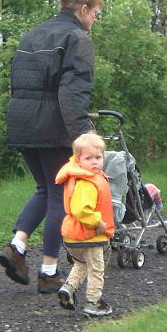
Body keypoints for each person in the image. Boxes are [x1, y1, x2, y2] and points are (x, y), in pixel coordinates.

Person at [0, 0, 103, 294]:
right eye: (96, 13)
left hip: (21, 121)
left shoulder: (34, 32)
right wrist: (84, 136)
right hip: (52, 125)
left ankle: (16, 246)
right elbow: (72, 94)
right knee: (60, 195)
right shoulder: (78, 39)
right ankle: (49, 271)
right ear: (83, 9)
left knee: (44, 189)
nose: (96, 19)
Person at [55, 133, 114, 317]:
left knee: (82, 264)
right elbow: (81, 209)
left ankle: (69, 288)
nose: (95, 162)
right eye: (89, 158)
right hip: (90, 236)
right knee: (97, 269)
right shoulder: (86, 182)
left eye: (98, 157)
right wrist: (98, 222)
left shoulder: (84, 176)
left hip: (74, 239)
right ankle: (93, 303)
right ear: (78, 159)